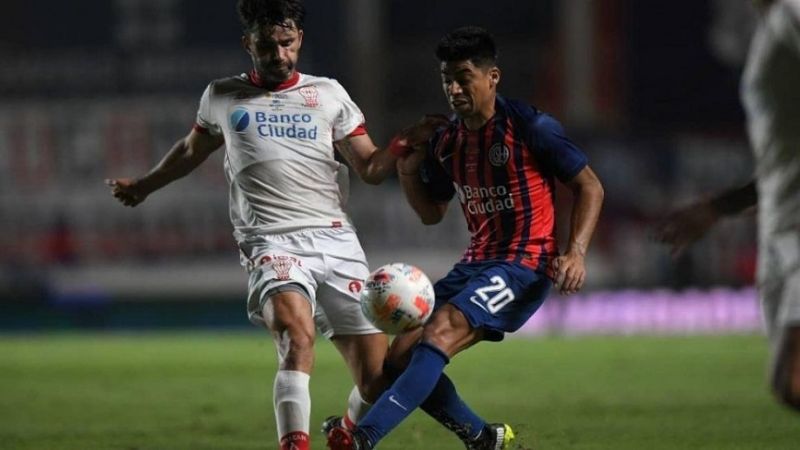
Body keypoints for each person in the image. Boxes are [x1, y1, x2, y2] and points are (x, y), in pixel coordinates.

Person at [105, 1, 439, 449]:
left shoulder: (328, 94)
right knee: (296, 337)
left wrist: (401, 143)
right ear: (249, 44)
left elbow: (370, 168)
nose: (279, 55)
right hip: (271, 242)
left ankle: (344, 432)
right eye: (267, 45)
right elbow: (190, 151)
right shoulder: (223, 94)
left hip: (336, 241)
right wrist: (145, 185)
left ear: (299, 38)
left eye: (287, 43)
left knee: (377, 382)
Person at [326, 26, 605, 449]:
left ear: (492, 77)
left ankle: (362, 438)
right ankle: (482, 438)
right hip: (475, 262)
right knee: (398, 359)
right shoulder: (448, 141)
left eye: (463, 77)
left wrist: (576, 252)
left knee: (441, 330)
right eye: (446, 79)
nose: (453, 88)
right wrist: (407, 166)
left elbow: (590, 186)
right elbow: (430, 214)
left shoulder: (531, 126)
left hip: (524, 265)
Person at [656, 0, 800, 412]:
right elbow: (782, 165)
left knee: (793, 379)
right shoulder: (770, 27)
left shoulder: (791, 14)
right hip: (782, 225)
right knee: (788, 386)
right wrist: (718, 207)